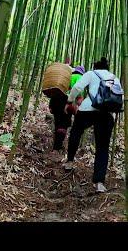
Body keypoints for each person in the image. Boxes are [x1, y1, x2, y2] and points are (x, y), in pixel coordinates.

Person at [63, 57, 117, 193]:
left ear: (95, 67)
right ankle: (99, 183)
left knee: (76, 131)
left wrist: (70, 101)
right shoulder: (113, 77)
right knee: (103, 147)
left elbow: (77, 87)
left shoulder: (91, 74)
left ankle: (69, 161)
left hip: (88, 109)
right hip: (107, 113)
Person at [47, 65, 85, 151]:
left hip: (55, 100)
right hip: (66, 101)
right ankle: (57, 148)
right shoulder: (79, 77)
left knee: (58, 122)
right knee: (63, 125)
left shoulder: (66, 76)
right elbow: (77, 91)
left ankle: (56, 146)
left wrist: (51, 105)